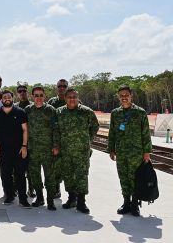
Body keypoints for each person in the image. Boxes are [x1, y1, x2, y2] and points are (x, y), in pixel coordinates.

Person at [108, 85, 152, 217]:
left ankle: (135, 204)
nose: (124, 97)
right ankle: (126, 202)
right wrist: (111, 149)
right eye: (121, 95)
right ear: (118, 97)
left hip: (136, 152)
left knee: (135, 178)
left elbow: (145, 133)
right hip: (121, 152)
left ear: (131, 95)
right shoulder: (115, 113)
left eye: (126, 95)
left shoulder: (140, 112)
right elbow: (112, 132)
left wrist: (147, 152)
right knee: (123, 178)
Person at [53, 88, 99, 214]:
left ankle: (81, 202)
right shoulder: (59, 112)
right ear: (65, 98)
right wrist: (56, 145)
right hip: (65, 151)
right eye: (69, 97)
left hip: (82, 151)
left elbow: (95, 126)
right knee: (68, 175)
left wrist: (88, 140)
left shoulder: (86, 112)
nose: (72, 99)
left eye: (74, 97)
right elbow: (56, 130)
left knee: (82, 176)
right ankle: (71, 199)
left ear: (78, 98)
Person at [0, 90, 30, 207]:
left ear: (12, 98)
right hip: (3, 150)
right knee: (6, 174)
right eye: (4, 97)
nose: (7, 99)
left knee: (20, 175)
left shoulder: (20, 112)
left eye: (9, 97)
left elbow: (25, 130)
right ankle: (9, 196)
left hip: (18, 150)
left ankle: (23, 199)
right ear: (1, 99)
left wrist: (24, 146)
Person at [24, 86, 57, 210]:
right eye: (36, 95)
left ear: (44, 96)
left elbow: (55, 129)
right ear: (32, 97)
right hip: (32, 149)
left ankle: (50, 201)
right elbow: (24, 129)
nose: (38, 98)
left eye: (41, 95)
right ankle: (39, 198)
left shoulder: (50, 110)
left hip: (47, 150)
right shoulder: (28, 110)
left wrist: (55, 145)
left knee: (50, 176)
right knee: (35, 176)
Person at [47, 78, 69, 199]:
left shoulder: (73, 100)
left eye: (64, 86)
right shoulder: (52, 102)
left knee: (69, 168)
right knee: (54, 167)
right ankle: (56, 189)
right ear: (57, 87)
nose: (62, 88)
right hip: (55, 139)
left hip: (69, 140)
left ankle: (73, 194)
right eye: (60, 86)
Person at [15, 84, 35, 198]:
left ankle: (31, 189)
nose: (22, 93)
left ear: (27, 93)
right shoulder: (14, 107)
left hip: (31, 142)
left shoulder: (32, 106)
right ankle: (16, 189)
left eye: (24, 91)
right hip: (18, 142)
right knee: (17, 169)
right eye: (20, 91)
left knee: (31, 169)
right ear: (17, 94)